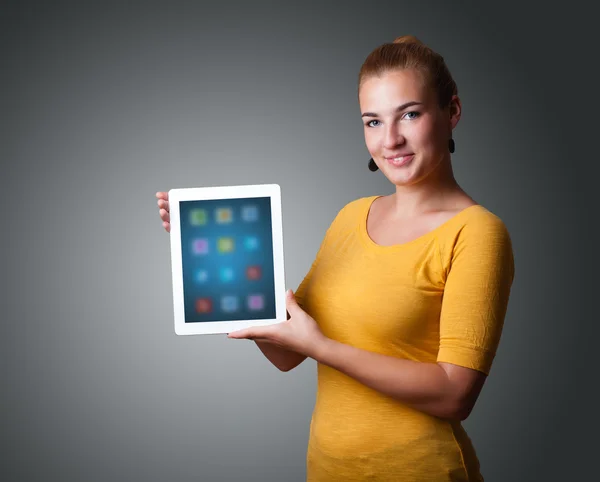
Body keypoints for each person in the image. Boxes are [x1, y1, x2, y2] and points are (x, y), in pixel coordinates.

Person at [155, 35, 514, 482]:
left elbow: (454, 395)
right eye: (373, 122)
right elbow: (288, 352)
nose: (391, 140)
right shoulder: (351, 217)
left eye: (411, 114)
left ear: (452, 112)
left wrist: (322, 348)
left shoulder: (477, 232)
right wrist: (206, 258)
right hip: (329, 470)